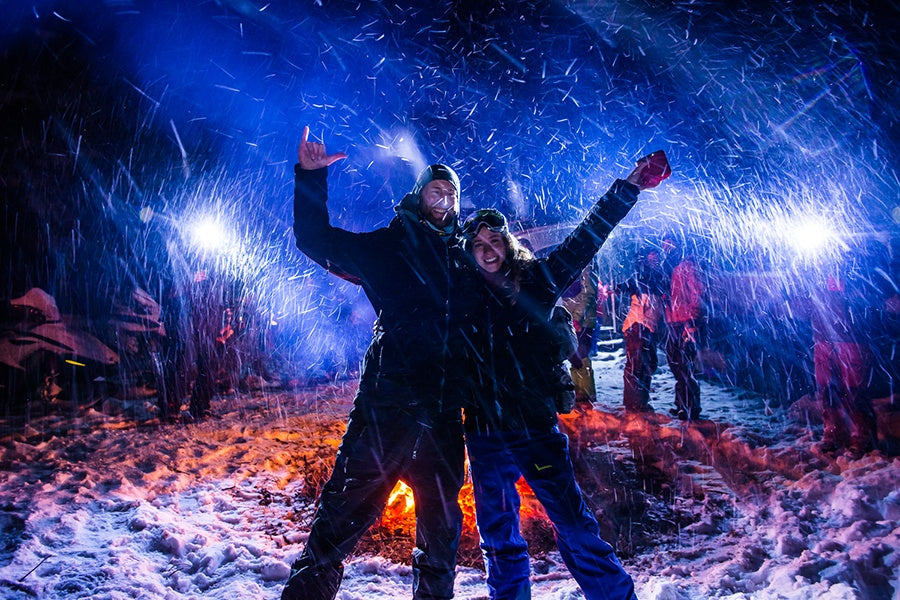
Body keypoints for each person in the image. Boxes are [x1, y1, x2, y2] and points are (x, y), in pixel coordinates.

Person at [282, 126, 482, 600]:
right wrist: (310, 179)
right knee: (337, 522)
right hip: (385, 409)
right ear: (418, 196)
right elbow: (316, 239)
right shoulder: (389, 247)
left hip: (441, 417)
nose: (446, 198)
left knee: (440, 537)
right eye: (437, 188)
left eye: (453, 193)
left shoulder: (464, 259)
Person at [461, 150, 670, 600]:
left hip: (534, 428)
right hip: (483, 434)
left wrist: (628, 187)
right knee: (498, 536)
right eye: (478, 245)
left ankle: (615, 596)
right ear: (469, 252)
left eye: (494, 241)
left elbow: (585, 239)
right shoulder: (460, 300)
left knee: (573, 524)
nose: (488, 250)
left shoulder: (538, 281)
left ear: (507, 244)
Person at [661, 231, 706, 421]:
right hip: (673, 320)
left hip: (685, 321)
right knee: (676, 363)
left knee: (684, 365)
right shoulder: (671, 266)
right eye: (664, 245)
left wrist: (692, 321)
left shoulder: (687, 266)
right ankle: (682, 403)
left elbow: (698, 293)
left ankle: (690, 407)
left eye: (670, 245)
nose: (666, 249)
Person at [621, 247, 667, 414]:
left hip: (645, 327)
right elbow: (631, 285)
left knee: (645, 364)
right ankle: (634, 405)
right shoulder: (644, 277)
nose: (655, 261)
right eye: (652, 258)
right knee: (637, 365)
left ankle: (638, 402)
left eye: (656, 258)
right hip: (638, 326)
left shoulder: (656, 277)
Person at [560, 264, 599, 407]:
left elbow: (589, 294)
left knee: (581, 355)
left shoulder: (587, 267)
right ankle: (579, 392)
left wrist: (576, 317)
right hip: (571, 318)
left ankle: (586, 395)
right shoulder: (571, 264)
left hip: (583, 321)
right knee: (573, 356)